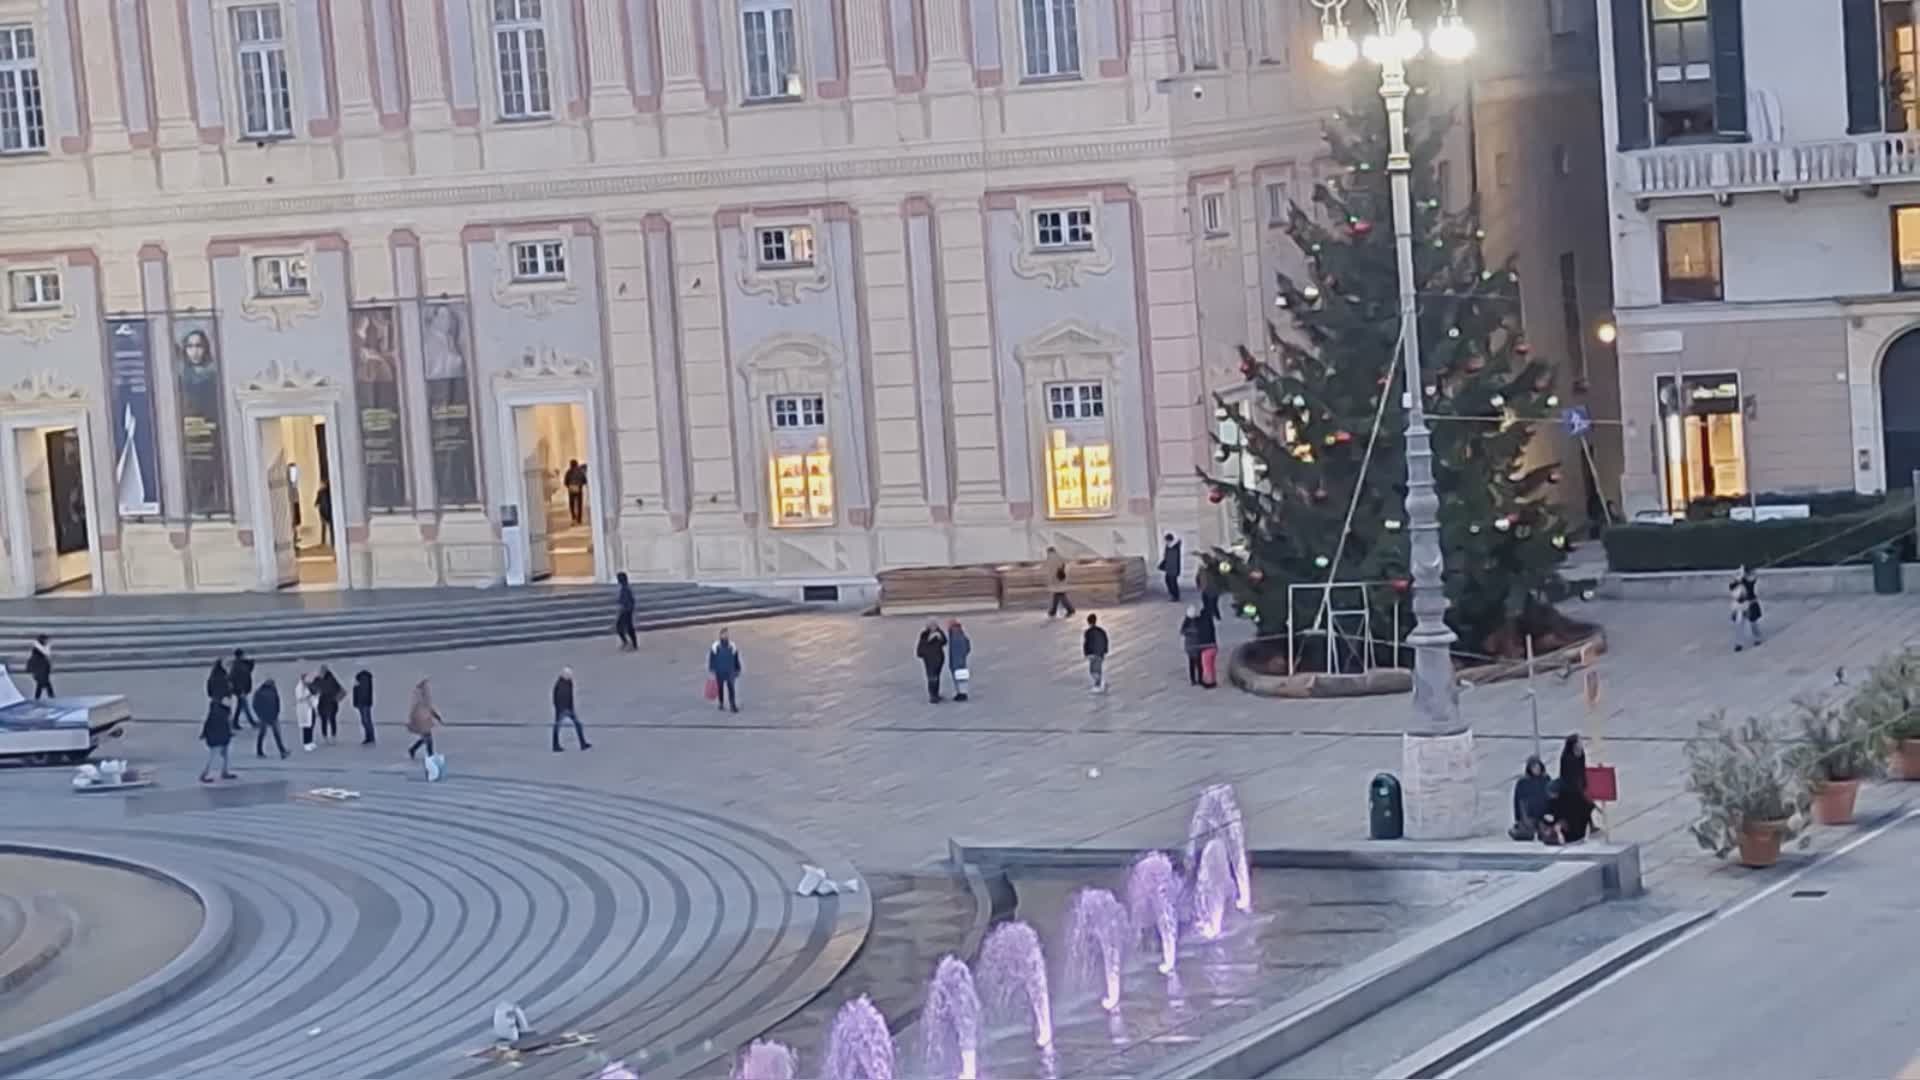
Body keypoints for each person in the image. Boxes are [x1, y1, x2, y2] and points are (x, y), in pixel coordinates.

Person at [1550, 734, 1595, 843]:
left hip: (1578, 788)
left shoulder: (1581, 754)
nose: (1581, 744)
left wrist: (1584, 785)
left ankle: (1585, 830)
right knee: (1582, 808)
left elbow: (1582, 771)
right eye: (1579, 742)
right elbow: (1568, 776)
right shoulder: (1567, 757)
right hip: (1568, 791)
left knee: (1587, 807)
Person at [1509, 756, 1551, 841]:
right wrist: (1520, 818)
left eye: (1538, 767)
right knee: (1527, 835)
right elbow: (1519, 802)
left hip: (1543, 816)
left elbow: (1551, 797)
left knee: (1546, 835)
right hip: (1528, 816)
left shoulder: (1546, 779)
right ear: (1530, 768)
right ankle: (1517, 830)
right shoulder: (1523, 782)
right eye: (1534, 767)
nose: (1537, 769)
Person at [552, 667, 591, 751]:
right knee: (557, 727)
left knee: (578, 725)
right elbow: (556, 697)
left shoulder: (569, 683)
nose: (569, 676)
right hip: (562, 709)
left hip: (569, 708)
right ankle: (555, 745)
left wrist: (571, 706)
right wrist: (558, 708)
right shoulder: (559, 684)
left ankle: (582, 743)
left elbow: (570, 696)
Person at [1179, 605, 1218, 688]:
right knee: (1198, 663)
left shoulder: (1190, 621)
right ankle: (1199, 679)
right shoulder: (1198, 621)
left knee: (1196, 663)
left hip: (1194, 646)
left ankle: (1196, 679)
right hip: (1195, 646)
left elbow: (1183, 631)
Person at [199, 697, 237, 784]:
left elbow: (208, 724)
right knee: (214, 757)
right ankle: (205, 774)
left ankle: (224, 771)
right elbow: (224, 726)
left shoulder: (216, 712)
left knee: (222, 756)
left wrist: (204, 734)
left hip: (219, 737)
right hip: (219, 738)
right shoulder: (222, 714)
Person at [253, 677, 289, 759]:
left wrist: (259, 714)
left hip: (264, 716)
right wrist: (277, 713)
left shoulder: (259, 692)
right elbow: (277, 703)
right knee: (276, 735)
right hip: (272, 716)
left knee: (262, 734)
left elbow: (255, 705)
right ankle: (282, 751)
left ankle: (259, 751)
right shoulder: (273, 691)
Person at [1730, 565, 1763, 652]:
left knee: (1753, 623)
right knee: (1739, 624)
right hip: (1740, 605)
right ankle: (1738, 643)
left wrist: (1743, 578)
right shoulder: (1737, 579)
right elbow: (1732, 587)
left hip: (1750, 603)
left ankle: (1757, 639)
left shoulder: (1751, 578)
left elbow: (1751, 582)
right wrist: (1739, 579)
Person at [708, 628, 742, 713]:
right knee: (720, 688)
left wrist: (738, 668)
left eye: (727, 634)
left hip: (730, 670)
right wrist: (712, 669)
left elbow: (736, 658)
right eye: (724, 634)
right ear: (720, 635)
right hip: (719, 670)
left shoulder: (732, 645)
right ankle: (721, 703)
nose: (725, 635)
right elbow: (712, 658)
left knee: (731, 688)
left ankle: (732, 705)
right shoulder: (715, 646)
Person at [406, 679, 441, 760]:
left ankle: (413, 749)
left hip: (424, 719)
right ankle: (430, 755)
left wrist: (435, 715)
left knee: (426, 737)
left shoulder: (423, 697)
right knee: (428, 738)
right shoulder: (420, 697)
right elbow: (422, 708)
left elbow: (428, 707)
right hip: (421, 720)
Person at [916, 620, 948, 704]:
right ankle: (932, 695)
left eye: (935, 626)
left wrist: (940, 636)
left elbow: (944, 642)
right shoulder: (924, 635)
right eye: (932, 626)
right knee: (931, 677)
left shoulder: (939, 633)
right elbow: (922, 647)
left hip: (939, 659)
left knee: (936, 676)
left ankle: (936, 694)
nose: (933, 627)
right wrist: (930, 639)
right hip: (929, 659)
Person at [313, 665, 343, 744]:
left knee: (330, 719)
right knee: (325, 720)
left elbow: (339, 689)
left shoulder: (330, 679)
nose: (321, 673)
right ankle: (326, 736)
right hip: (325, 702)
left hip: (330, 702)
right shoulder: (320, 679)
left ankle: (331, 736)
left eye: (322, 671)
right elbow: (313, 689)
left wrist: (336, 698)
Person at [1043, 547, 1076, 619]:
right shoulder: (1059, 556)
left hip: (1056, 580)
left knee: (1060, 594)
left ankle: (1070, 609)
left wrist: (1050, 579)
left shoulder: (1049, 558)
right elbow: (1065, 565)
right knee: (1057, 594)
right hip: (1060, 579)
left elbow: (1049, 570)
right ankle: (1053, 611)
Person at [947, 620, 973, 702]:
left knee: (960, 678)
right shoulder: (961, 635)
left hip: (957, 661)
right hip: (960, 660)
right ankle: (961, 692)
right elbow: (968, 647)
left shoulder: (956, 636)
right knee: (960, 678)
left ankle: (962, 693)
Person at [229, 649, 255, 729]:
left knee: (240, 707)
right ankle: (251, 722)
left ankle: (235, 722)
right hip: (240, 690)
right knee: (244, 707)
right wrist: (241, 691)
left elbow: (248, 671)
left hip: (242, 689)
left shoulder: (240, 664)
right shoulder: (236, 666)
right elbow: (236, 679)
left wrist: (250, 663)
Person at [1083, 613, 1110, 693]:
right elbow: (1105, 640)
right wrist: (1105, 650)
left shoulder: (1088, 632)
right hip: (1100, 652)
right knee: (1098, 669)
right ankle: (1100, 683)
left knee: (1093, 670)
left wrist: (1087, 653)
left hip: (1093, 652)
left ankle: (1098, 684)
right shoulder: (1101, 631)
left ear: (1088, 622)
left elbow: (1087, 643)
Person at [614, 572, 638, 651]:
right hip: (626, 610)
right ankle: (630, 643)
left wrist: (624, 608)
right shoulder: (624, 588)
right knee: (625, 627)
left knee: (626, 627)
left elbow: (629, 601)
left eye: (618, 579)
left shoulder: (626, 589)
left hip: (626, 610)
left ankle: (631, 644)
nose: (617, 580)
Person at [295, 672, 317, 751]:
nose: (308, 680)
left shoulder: (308, 686)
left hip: (310, 708)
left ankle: (310, 741)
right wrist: (309, 696)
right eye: (307, 679)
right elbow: (299, 697)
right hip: (304, 709)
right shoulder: (299, 687)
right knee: (306, 727)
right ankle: (306, 743)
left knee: (311, 725)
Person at [25, 635, 52, 699]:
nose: (47, 641)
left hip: (41, 668)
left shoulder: (38, 648)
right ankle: (50, 696)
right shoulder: (39, 648)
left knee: (41, 683)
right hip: (39, 668)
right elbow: (46, 654)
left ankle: (38, 697)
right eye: (46, 640)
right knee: (44, 683)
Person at [1158, 533, 1184, 602]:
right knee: (1168, 581)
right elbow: (1166, 558)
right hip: (1169, 568)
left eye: (1166, 540)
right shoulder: (1169, 547)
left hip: (1173, 569)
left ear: (1169, 540)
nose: (1166, 542)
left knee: (1172, 582)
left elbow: (1172, 559)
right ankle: (1174, 595)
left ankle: (1175, 596)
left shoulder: (1174, 548)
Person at [352, 669, 375, 745]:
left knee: (366, 721)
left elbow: (357, 692)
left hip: (363, 703)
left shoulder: (361, 681)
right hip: (363, 703)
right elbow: (356, 692)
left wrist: (356, 703)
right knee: (366, 721)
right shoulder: (364, 680)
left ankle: (370, 737)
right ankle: (369, 737)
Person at [564, 460, 588, 526]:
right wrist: (580, 485)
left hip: (571, 489)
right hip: (579, 488)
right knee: (579, 504)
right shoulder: (580, 472)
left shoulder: (568, 472)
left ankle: (573, 517)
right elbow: (585, 481)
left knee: (572, 504)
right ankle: (579, 519)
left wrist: (569, 486)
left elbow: (565, 482)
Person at [315, 482, 334, 548]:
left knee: (328, 527)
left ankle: (328, 541)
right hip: (331, 512)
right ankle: (333, 542)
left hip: (324, 513)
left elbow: (316, 503)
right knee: (332, 527)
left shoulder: (320, 492)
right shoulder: (332, 491)